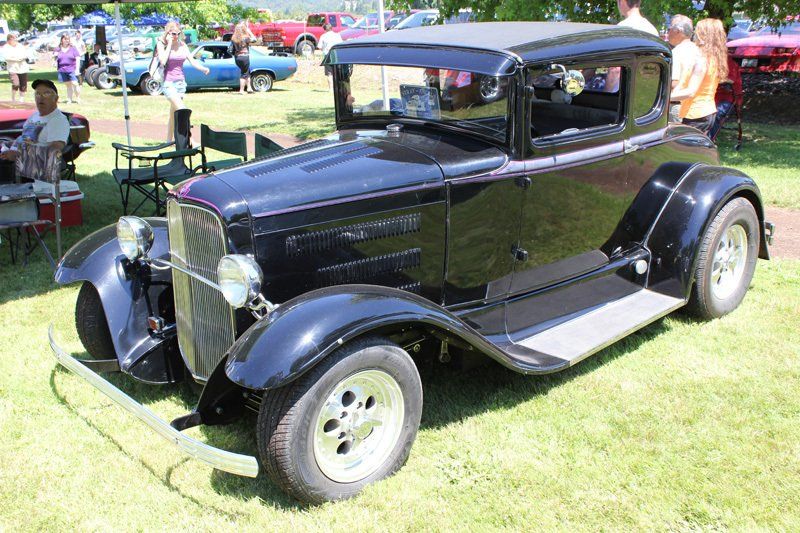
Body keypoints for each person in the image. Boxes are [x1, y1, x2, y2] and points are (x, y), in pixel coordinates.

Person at [671, 18, 729, 135]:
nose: (695, 34)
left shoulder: (702, 60)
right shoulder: (713, 57)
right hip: (706, 111)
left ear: (704, 35)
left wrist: (664, 98)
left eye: (698, 31)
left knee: (686, 152)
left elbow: (691, 91)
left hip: (696, 115)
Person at [156, 21, 210, 142]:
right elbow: (163, 61)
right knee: (182, 110)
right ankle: (190, 140)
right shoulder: (161, 44)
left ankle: (169, 141)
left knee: (173, 114)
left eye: (178, 33)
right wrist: (169, 44)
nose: (175, 36)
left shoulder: (182, 45)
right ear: (168, 33)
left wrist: (203, 68)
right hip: (168, 83)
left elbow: (192, 60)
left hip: (180, 83)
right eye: (173, 33)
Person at [0, 79, 70, 163]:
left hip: (36, 171)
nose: (41, 97)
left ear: (56, 98)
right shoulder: (35, 116)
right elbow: (25, 139)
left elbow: (53, 152)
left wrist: (18, 155)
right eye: (37, 94)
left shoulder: (58, 120)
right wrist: (8, 144)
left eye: (46, 93)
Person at [667, 14, 701, 122]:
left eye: (669, 29)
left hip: (675, 105)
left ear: (677, 31)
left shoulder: (677, 52)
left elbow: (673, 83)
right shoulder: (696, 50)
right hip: (692, 105)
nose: (668, 33)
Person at [54, 34, 81, 104]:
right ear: (61, 40)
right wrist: (54, 60)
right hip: (62, 69)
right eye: (65, 39)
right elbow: (55, 57)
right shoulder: (58, 49)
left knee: (75, 83)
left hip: (71, 69)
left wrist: (77, 69)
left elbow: (78, 58)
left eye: (68, 39)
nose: (66, 41)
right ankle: (69, 99)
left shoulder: (73, 48)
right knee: (68, 85)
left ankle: (78, 98)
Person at [231, 21, 258, 94]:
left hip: (237, 58)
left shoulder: (233, 38)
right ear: (244, 29)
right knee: (244, 73)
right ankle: (241, 90)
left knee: (247, 72)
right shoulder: (245, 38)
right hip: (244, 57)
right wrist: (249, 32)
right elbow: (255, 40)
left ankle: (249, 88)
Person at [4, 33, 30, 103]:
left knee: (23, 84)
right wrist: (16, 59)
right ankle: (13, 97)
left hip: (22, 68)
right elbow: (7, 57)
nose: (14, 40)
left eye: (15, 38)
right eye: (12, 38)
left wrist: (22, 58)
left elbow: (25, 54)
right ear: (9, 40)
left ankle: (21, 99)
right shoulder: (6, 47)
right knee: (16, 84)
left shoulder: (20, 46)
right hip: (12, 68)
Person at [318, 23, 342, 91]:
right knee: (337, 72)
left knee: (329, 73)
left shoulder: (323, 36)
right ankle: (338, 88)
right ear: (331, 28)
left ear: (325, 29)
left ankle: (331, 89)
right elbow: (340, 45)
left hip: (328, 55)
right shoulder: (337, 35)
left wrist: (323, 49)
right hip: (336, 55)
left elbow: (319, 47)